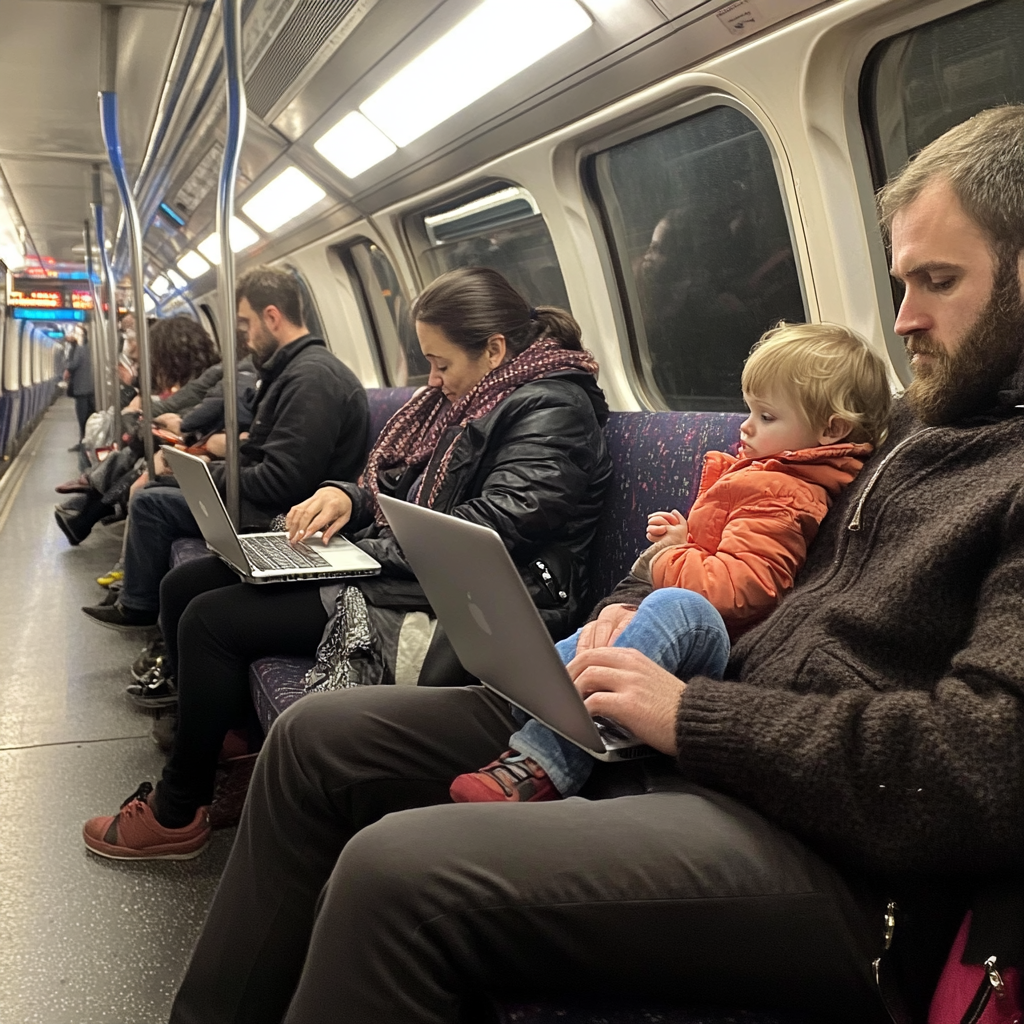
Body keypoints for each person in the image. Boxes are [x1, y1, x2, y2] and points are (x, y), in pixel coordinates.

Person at [155, 105, 1024, 1024]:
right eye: (901, 282)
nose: (905, 320)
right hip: (710, 726)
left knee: (395, 874)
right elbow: (733, 554)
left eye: (939, 281)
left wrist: (693, 716)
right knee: (313, 744)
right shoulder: (906, 426)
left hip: (832, 850)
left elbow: (987, 762)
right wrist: (630, 605)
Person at [81, 265, 612, 860]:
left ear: (494, 349)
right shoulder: (476, 395)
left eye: (441, 364)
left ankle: (178, 811)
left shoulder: (553, 407)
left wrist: (352, 555)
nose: (433, 381)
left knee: (211, 621)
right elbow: (403, 487)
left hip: (487, 598)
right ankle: (224, 752)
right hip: (427, 568)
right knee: (187, 584)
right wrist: (347, 496)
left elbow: (491, 531)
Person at [451, 321, 891, 803]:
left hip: (728, 654)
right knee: (592, 641)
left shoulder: (785, 494)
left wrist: (667, 557)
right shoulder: (766, 475)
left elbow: (740, 590)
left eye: (766, 416)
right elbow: (727, 557)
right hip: (706, 628)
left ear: (831, 430)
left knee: (679, 607)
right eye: (750, 410)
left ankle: (543, 763)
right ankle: (535, 703)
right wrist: (687, 541)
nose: (746, 426)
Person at [77, 266, 369, 629]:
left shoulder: (311, 379)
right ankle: (137, 599)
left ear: (272, 317)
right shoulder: (290, 372)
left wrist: (203, 473)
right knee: (155, 485)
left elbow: (281, 483)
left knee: (153, 502)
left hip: (286, 514)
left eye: (246, 325)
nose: (245, 337)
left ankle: (137, 606)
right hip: (273, 500)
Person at [53, 316, 220, 545]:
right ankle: (87, 506)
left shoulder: (213, 377)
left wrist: (170, 420)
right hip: (184, 438)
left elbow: (191, 411)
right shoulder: (195, 378)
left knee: (141, 458)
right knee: (139, 449)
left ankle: (89, 500)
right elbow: (168, 404)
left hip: (196, 442)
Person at [64, 331, 95, 450]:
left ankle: (83, 443)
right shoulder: (90, 349)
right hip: (90, 389)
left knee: (82, 418)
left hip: (82, 389)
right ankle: (85, 441)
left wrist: (67, 366)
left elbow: (73, 364)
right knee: (88, 416)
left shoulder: (80, 349)